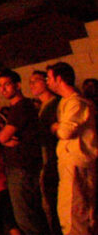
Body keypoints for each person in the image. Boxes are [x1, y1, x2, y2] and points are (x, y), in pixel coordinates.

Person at [46, 62, 97, 235]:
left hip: (76, 164)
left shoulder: (77, 103)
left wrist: (56, 127)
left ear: (59, 79)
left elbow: (65, 131)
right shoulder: (65, 102)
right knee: (69, 214)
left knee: (75, 215)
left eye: (49, 77)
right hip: (69, 164)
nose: (47, 82)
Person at [0, 69, 47, 235]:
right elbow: (1, 137)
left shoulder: (22, 107)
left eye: (7, 84)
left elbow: (2, 137)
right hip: (20, 168)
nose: (3, 89)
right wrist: (1, 137)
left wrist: (2, 137)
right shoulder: (15, 109)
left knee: (26, 216)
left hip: (22, 168)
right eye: (0, 86)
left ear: (17, 85)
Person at [29, 69, 62, 235]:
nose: (32, 84)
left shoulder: (56, 105)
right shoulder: (41, 108)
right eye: (30, 81)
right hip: (46, 162)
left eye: (36, 80)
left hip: (56, 162)